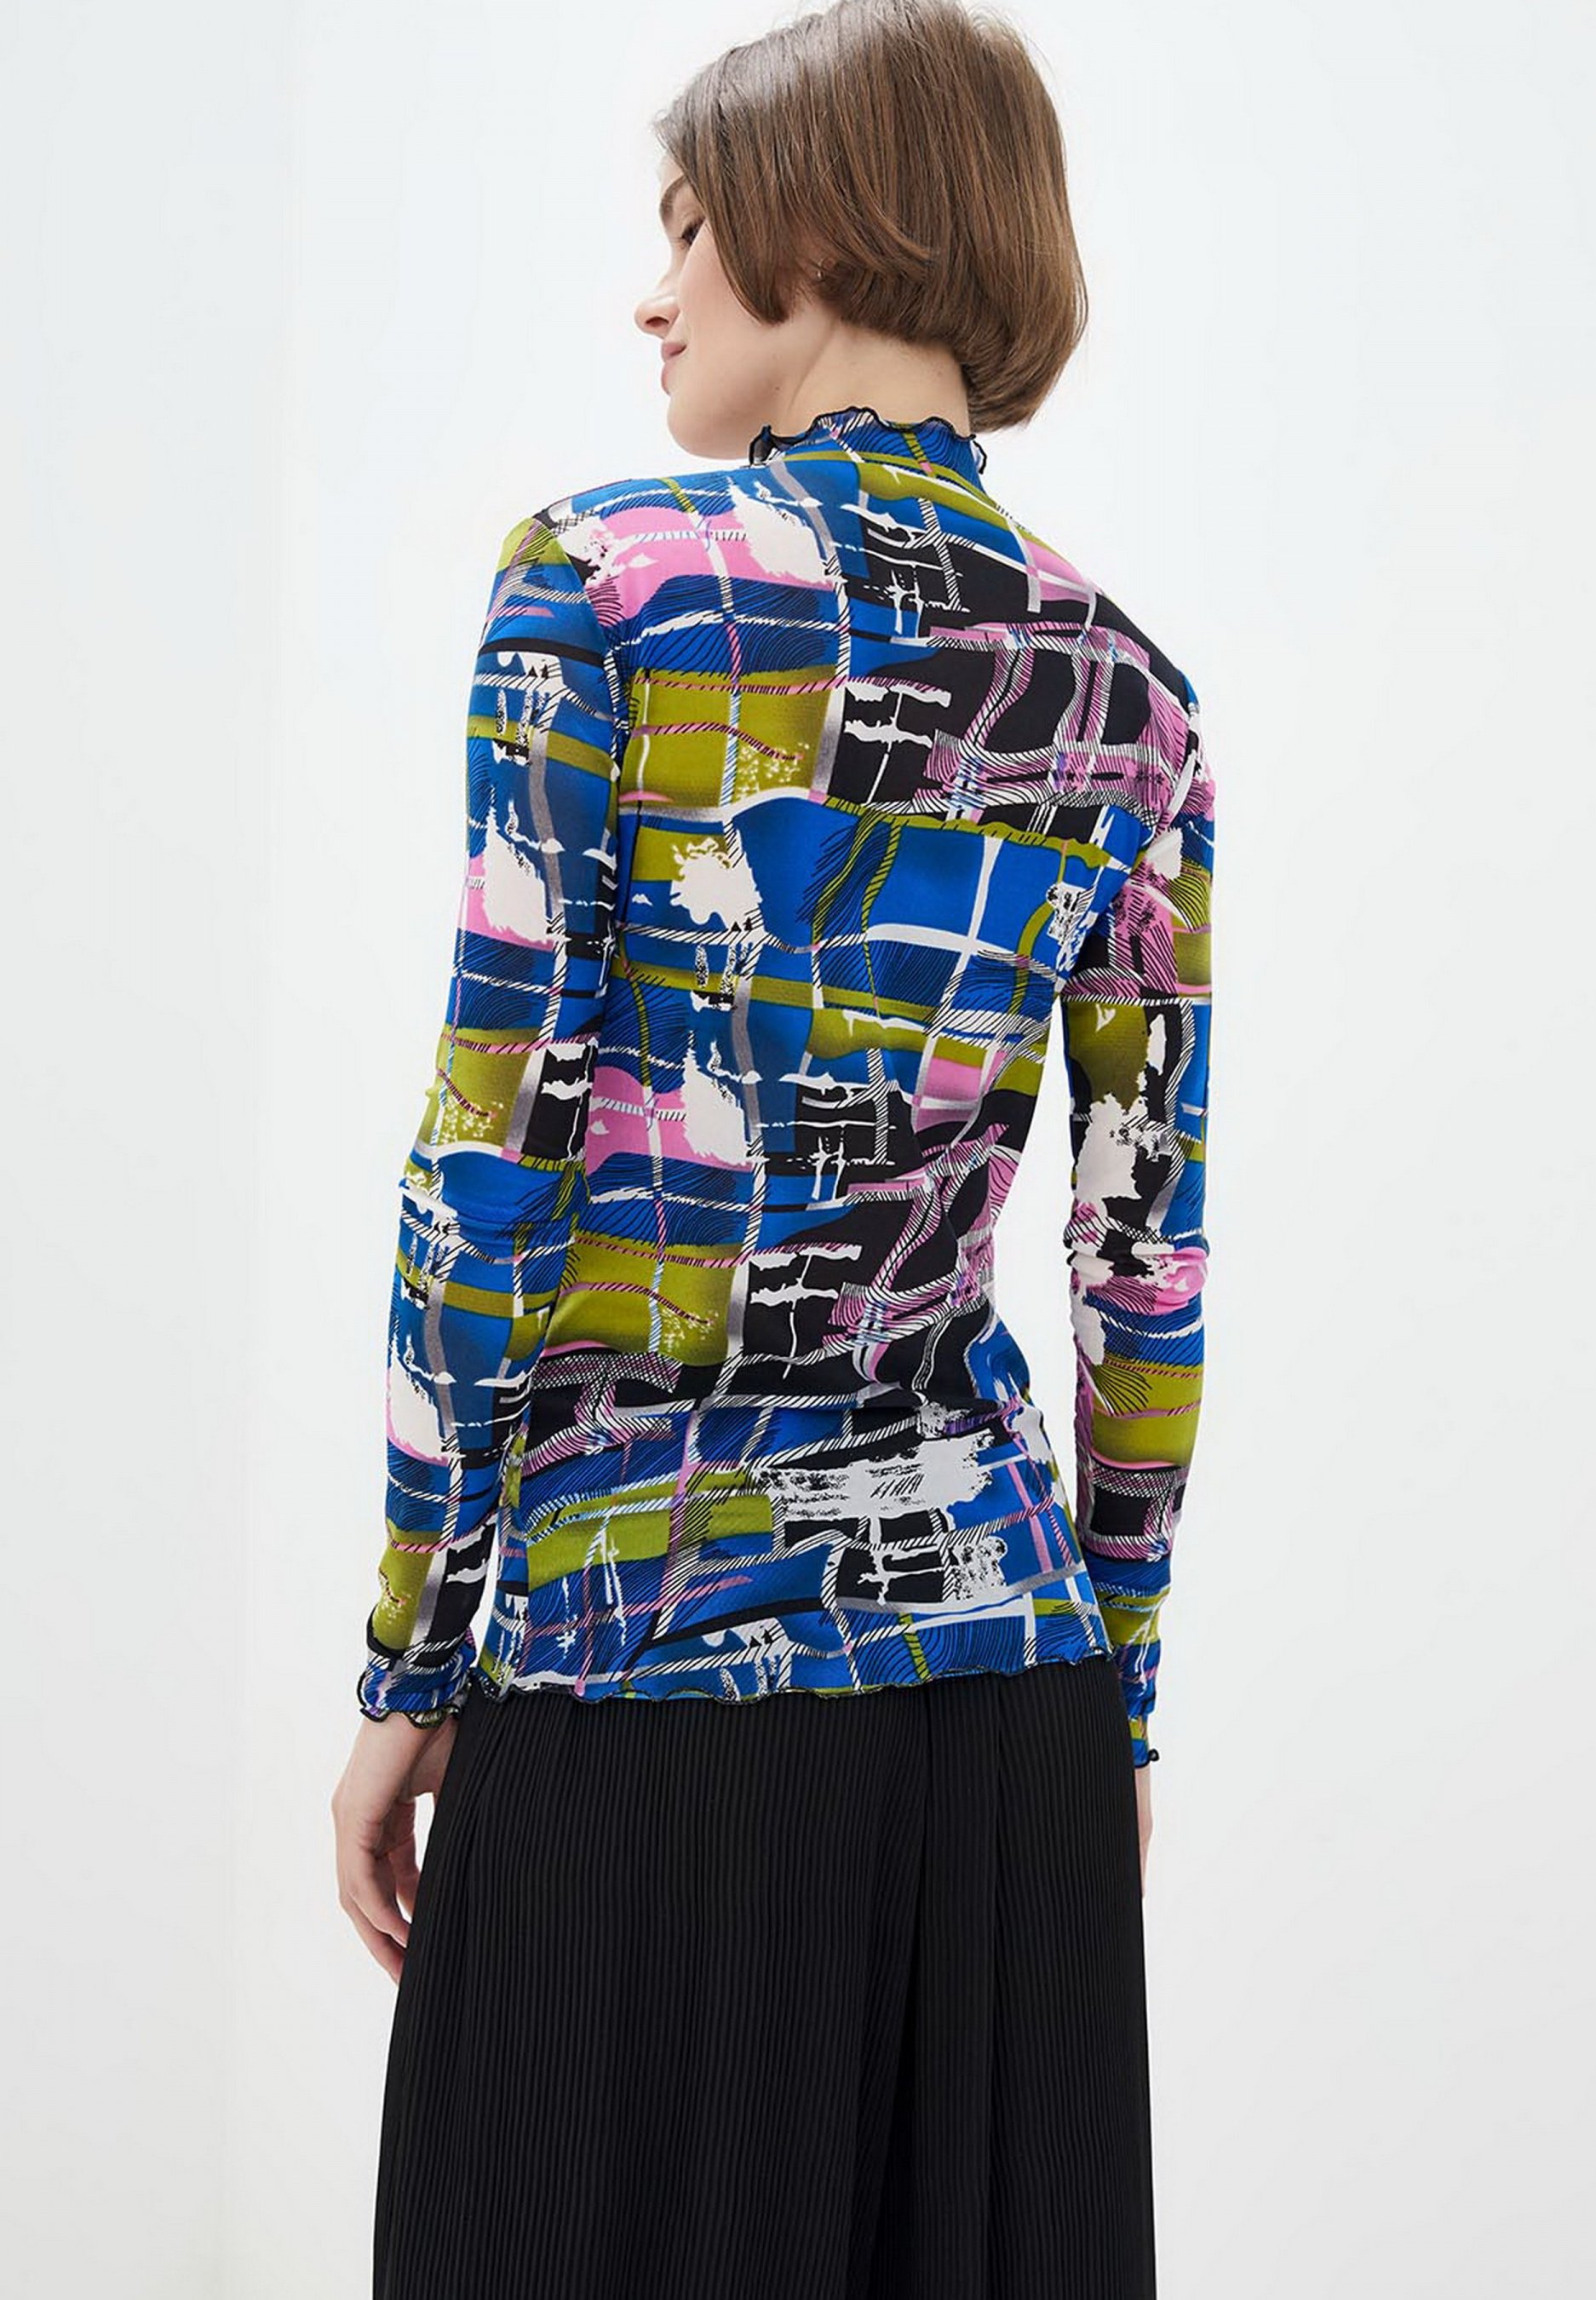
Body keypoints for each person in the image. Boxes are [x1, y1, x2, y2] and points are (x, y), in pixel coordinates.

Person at [331, 3, 1214, 2293]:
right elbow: (1141, 1257)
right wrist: (1116, 1696)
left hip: (641, 1681)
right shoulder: (1127, 691)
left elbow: (490, 1160)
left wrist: (414, 1659)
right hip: (1000, 1717)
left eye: (686, 229)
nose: (654, 296)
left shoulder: (602, 586)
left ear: (814, 231)